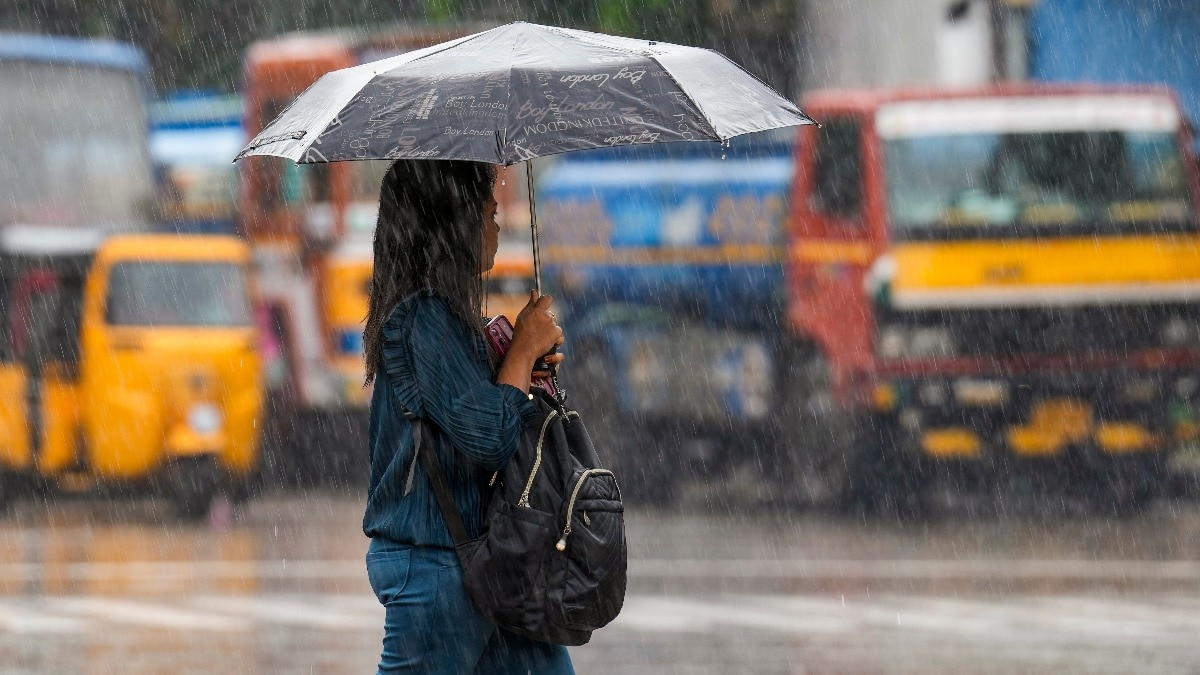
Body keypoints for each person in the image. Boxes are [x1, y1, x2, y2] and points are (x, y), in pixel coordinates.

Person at [361, 158, 573, 674]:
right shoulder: (422, 318)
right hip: (437, 567)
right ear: (453, 224)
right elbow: (490, 436)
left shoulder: (448, 320)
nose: (496, 223)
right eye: (488, 210)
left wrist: (519, 361)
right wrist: (521, 352)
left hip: (490, 558)